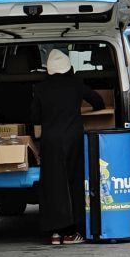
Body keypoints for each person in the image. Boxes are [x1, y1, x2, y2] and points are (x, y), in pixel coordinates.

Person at [32, 49, 103, 246]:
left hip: (50, 142)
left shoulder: (40, 88)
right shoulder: (75, 84)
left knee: (53, 185)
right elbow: (98, 102)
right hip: (73, 139)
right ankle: (71, 232)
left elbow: (35, 117)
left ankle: (55, 233)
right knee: (73, 183)